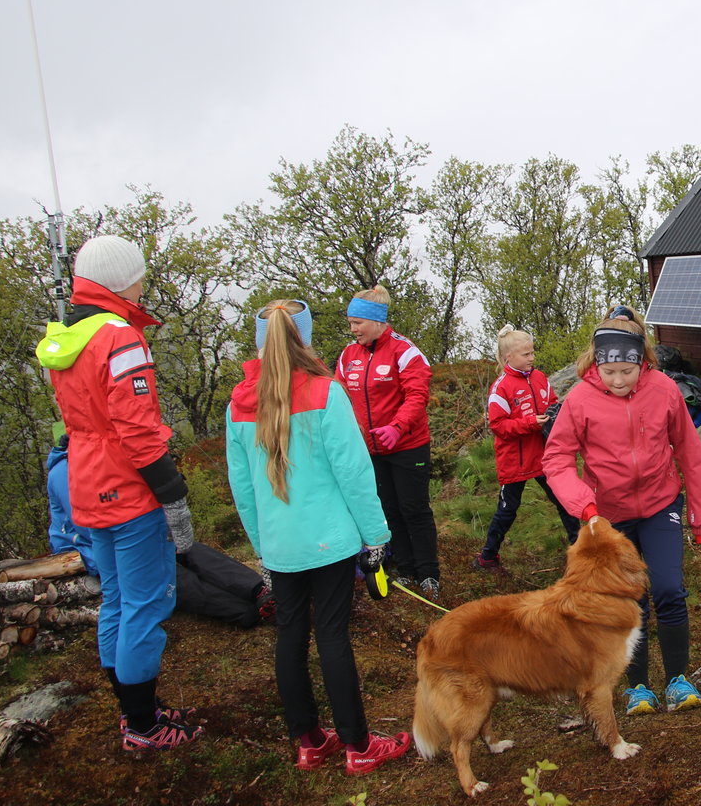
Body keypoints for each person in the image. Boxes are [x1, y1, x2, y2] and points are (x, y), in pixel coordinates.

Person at [226, 300, 411, 775]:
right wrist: (376, 539)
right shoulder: (325, 392)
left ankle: (309, 742)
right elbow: (354, 473)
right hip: (330, 540)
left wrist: (262, 547)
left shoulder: (239, 403)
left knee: (290, 636)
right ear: (303, 338)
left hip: (280, 545)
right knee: (331, 636)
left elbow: (243, 488)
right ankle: (358, 746)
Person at [34, 234, 203, 751]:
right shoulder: (120, 338)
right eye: (140, 274)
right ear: (123, 279)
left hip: (85, 479)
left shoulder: (71, 335)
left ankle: (135, 712)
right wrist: (171, 495)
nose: (144, 282)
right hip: (126, 488)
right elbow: (137, 430)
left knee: (116, 600)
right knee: (146, 605)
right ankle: (145, 727)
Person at [542, 306, 701, 717]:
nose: (618, 380)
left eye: (627, 371)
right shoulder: (580, 398)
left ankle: (678, 679)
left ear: (643, 361)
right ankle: (638, 686)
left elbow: (690, 453)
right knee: (627, 599)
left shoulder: (665, 390)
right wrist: (584, 505)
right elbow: (557, 460)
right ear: (596, 363)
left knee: (669, 589)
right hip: (608, 514)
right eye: (610, 371)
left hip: (660, 504)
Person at [47, 435, 273, 628]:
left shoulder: (102, 461)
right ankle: (245, 611)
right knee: (172, 576)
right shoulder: (64, 473)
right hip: (94, 552)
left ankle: (260, 591)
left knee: (192, 550)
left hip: (138, 537)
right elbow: (92, 529)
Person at [336, 286, 439, 600]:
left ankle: (429, 575)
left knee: (415, 510)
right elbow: (338, 399)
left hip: (408, 447)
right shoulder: (347, 356)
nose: (353, 330)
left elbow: (417, 395)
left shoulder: (405, 351)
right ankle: (406, 570)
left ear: (376, 320)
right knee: (389, 511)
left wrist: (397, 426)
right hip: (371, 451)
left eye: (357, 323)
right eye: (350, 323)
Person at [476, 325, 580, 574]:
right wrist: (529, 423)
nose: (532, 358)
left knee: (565, 501)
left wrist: (554, 415)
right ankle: (487, 557)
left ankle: (580, 551)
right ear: (508, 357)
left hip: (544, 456)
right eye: (526, 354)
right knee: (508, 510)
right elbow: (498, 426)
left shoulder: (539, 377)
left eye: (532, 353)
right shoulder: (500, 388)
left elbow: (552, 401)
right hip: (515, 460)